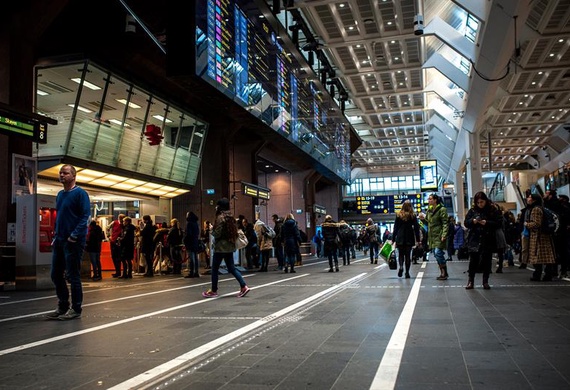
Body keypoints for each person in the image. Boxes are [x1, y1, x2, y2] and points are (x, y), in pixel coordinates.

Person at [46, 164, 90, 320]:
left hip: (74, 241)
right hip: (59, 239)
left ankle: (76, 308)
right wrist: (56, 236)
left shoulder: (80, 194)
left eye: (65, 173)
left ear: (73, 176)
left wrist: (74, 235)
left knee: (73, 275)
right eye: (60, 173)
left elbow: (85, 216)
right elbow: (60, 218)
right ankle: (63, 305)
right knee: (55, 274)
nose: (61, 175)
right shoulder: (60, 194)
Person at [202, 198, 250, 298]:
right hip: (230, 246)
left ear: (219, 207)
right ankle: (243, 286)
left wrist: (211, 229)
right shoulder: (230, 217)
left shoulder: (220, 217)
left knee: (215, 269)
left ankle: (213, 291)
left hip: (220, 248)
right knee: (231, 268)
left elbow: (217, 233)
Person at [464, 192, 500, 289]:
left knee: (487, 261)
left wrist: (486, 223)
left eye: (482, 202)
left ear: (486, 201)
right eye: (478, 202)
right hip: (474, 238)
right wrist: (473, 221)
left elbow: (498, 223)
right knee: (473, 261)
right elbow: (466, 223)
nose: (480, 204)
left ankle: (485, 281)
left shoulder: (492, 210)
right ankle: (470, 281)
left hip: (487, 238)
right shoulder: (472, 211)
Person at [524, 193, 557, 281]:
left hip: (538, 236)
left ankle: (537, 275)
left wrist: (527, 224)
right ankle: (547, 275)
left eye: (530, 197)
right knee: (547, 257)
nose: (528, 198)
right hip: (545, 235)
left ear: (534, 200)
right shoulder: (542, 208)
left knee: (537, 257)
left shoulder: (535, 209)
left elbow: (536, 224)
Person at [392, 200, 421, 278]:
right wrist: (418, 240)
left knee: (401, 255)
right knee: (408, 255)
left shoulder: (398, 215)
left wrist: (393, 239)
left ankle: (401, 267)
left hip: (400, 237)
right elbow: (416, 228)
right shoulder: (413, 215)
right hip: (409, 236)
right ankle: (407, 272)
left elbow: (395, 228)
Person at [426, 193, 449, 280]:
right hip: (432, 236)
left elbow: (445, 223)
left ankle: (444, 272)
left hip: (439, 235)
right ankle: (443, 272)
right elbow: (428, 223)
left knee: (438, 253)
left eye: (430, 199)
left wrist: (444, 234)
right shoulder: (429, 210)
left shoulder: (442, 209)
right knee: (436, 254)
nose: (429, 200)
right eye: (428, 199)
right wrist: (423, 219)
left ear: (435, 200)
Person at [184, 211, 201, 278]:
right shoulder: (196, 223)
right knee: (195, 258)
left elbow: (188, 234)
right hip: (195, 242)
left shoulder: (189, 223)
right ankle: (196, 272)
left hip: (190, 242)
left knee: (191, 258)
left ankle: (191, 272)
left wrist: (185, 240)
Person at [108, 213, 126, 278]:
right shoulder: (114, 223)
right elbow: (107, 227)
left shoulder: (124, 225)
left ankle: (120, 272)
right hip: (113, 241)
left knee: (119, 257)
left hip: (120, 242)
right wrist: (109, 236)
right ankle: (117, 271)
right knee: (114, 256)